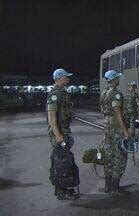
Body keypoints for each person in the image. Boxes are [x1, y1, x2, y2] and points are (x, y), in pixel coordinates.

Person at [47, 68, 78, 200]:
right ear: (59, 79)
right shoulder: (55, 95)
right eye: (66, 77)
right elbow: (52, 118)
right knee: (61, 163)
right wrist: (59, 138)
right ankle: (61, 192)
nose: (68, 79)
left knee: (62, 162)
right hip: (59, 133)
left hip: (63, 131)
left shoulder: (62, 93)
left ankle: (62, 189)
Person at [99, 70, 131, 195]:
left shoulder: (104, 93)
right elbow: (118, 113)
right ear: (114, 79)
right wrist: (125, 131)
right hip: (116, 128)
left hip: (107, 127)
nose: (118, 80)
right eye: (117, 78)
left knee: (109, 155)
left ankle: (108, 185)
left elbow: (103, 110)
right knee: (120, 156)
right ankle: (115, 187)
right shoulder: (116, 94)